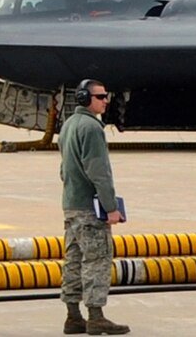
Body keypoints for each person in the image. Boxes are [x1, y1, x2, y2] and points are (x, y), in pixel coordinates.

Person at [59, 79, 129, 335]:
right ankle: (96, 316)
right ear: (85, 98)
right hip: (90, 209)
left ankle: (73, 316)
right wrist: (110, 207)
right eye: (100, 97)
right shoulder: (91, 128)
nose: (106, 100)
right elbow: (99, 172)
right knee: (97, 260)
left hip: (71, 206)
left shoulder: (69, 125)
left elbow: (64, 169)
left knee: (73, 262)